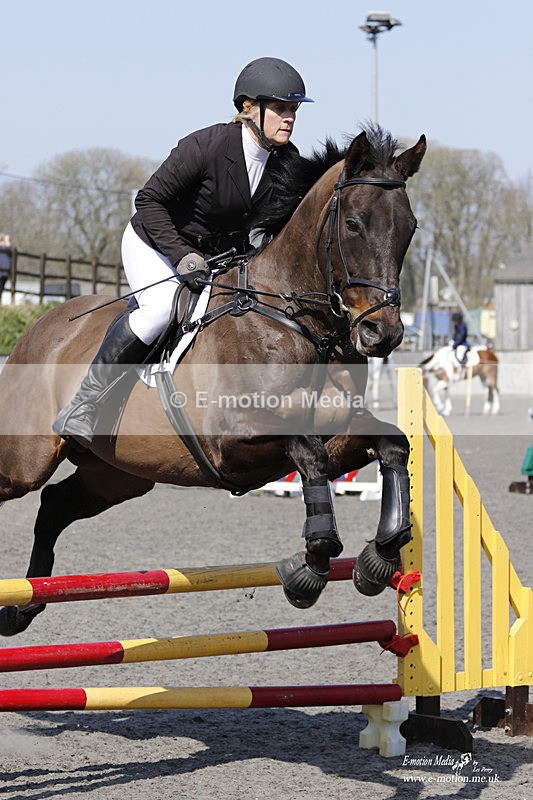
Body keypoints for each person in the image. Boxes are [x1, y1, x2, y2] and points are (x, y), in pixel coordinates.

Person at [52, 57, 313, 450]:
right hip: (157, 241)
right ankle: (85, 404)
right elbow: (149, 201)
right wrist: (180, 256)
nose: (289, 117)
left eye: (293, 109)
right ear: (248, 108)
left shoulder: (288, 162)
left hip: (216, 258)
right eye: (280, 108)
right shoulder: (206, 146)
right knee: (159, 309)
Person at [0, 234, 12, 303]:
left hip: (4, 273)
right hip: (2, 272)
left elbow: (9, 247)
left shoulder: (5, 250)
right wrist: (7, 241)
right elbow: (8, 247)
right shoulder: (3, 249)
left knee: (1, 288)